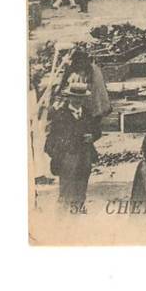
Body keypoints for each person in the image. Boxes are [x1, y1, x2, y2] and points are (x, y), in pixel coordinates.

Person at [44, 81, 102, 210]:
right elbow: (51, 138)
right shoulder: (61, 115)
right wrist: (60, 155)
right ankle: (65, 221)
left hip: (85, 157)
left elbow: (98, 131)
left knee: (81, 191)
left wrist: (92, 136)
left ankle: (78, 216)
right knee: (66, 193)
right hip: (68, 158)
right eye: (75, 97)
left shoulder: (87, 113)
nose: (78, 100)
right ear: (69, 97)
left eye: (81, 97)